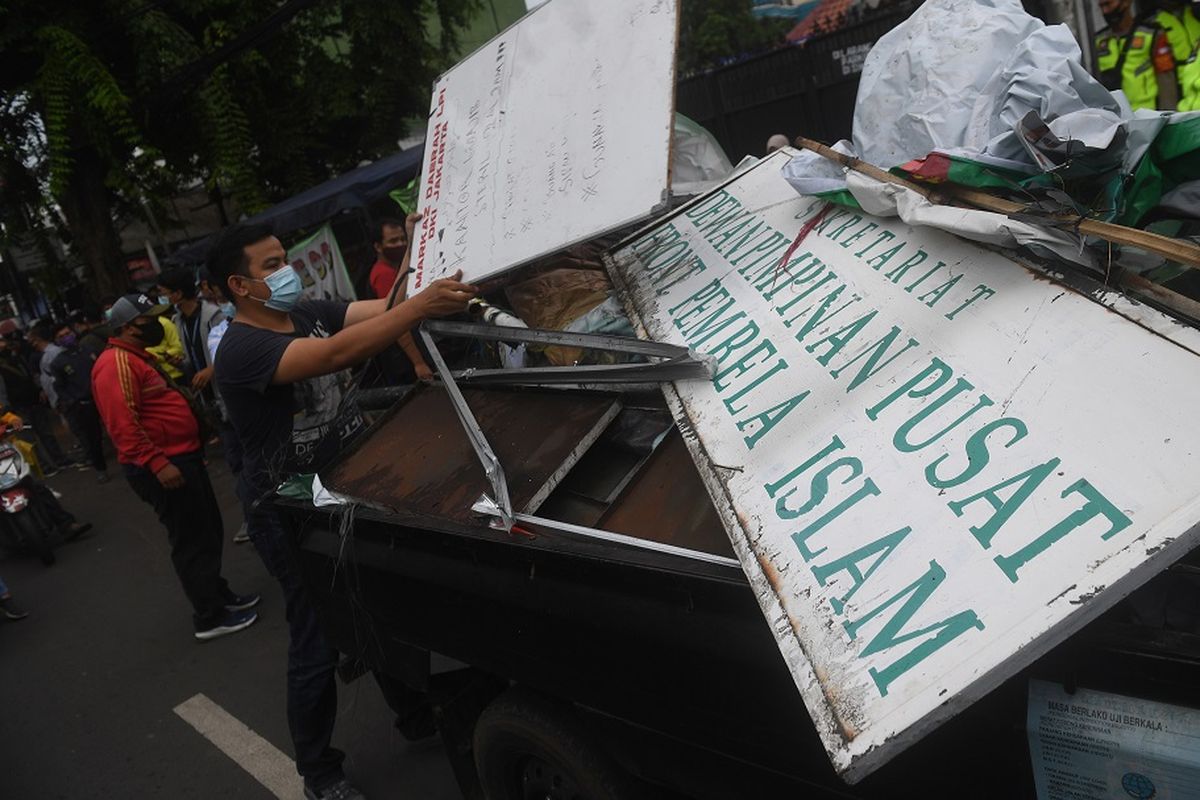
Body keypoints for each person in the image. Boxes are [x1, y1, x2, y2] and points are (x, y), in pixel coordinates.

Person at [208, 220, 475, 800]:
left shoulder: (306, 312)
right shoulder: (243, 349)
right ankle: (318, 771)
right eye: (271, 265)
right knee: (318, 637)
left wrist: (418, 249)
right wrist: (416, 307)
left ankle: (413, 714)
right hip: (292, 512)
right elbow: (337, 353)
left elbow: (390, 306)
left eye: (286, 258)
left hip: (345, 492)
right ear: (239, 285)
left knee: (370, 604)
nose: (288, 272)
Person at [91, 293, 260, 641]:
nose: (155, 324)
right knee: (191, 539)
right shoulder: (115, 364)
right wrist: (158, 463)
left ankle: (217, 594)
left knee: (207, 529)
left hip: (179, 458)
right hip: (163, 465)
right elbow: (123, 426)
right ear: (126, 327)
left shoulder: (136, 356)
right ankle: (209, 616)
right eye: (147, 320)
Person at [366, 217, 432, 382]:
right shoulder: (383, 274)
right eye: (393, 241)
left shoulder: (396, 269)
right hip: (404, 361)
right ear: (378, 246)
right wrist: (419, 363)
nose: (400, 244)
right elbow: (396, 320)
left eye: (403, 239)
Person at [49, 323, 108, 482]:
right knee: (93, 438)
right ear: (56, 341)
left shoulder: (89, 350)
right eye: (61, 336)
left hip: (103, 397)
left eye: (67, 333)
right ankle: (101, 469)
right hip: (84, 404)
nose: (66, 337)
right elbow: (59, 387)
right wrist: (72, 400)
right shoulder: (58, 363)